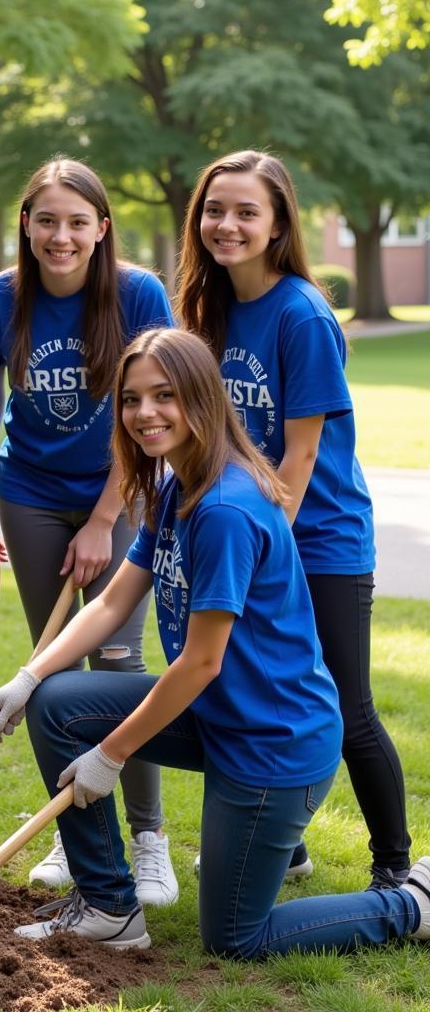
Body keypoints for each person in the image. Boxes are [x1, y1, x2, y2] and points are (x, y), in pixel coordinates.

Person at [0, 328, 430, 956]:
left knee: (237, 938)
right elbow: (113, 600)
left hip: (273, 743)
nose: (145, 413)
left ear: (202, 398)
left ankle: (409, 902)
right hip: (221, 715)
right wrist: (28, 678)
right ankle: (110, 907)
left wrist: (110, 756)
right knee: (57, 703)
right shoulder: (175, 485)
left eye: (164, 395)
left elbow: (200, 661)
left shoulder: (223, 510)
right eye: (132, 399)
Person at [176, 150, 410, 889]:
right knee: (243, 694)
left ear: (278, 225)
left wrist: (261, 550)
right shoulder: (207, 309)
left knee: (347, 706)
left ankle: (398, 872)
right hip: (248, 537)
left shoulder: (302, 313)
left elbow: (302, 454)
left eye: (248, 212)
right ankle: (286, 844)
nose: (228, 224)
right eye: (217, 209)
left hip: (319, 539)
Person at [0, 156, 177, 905]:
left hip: (117, 494)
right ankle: (78, 828)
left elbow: (156, 410)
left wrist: (102, 520)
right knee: (51, 671)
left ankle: (149, 839)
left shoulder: (136, 294)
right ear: (26, 224)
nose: (61, 236)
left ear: (101, 229)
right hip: (28, 493)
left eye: (76, 222)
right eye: (46, 220)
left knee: (119, 666)